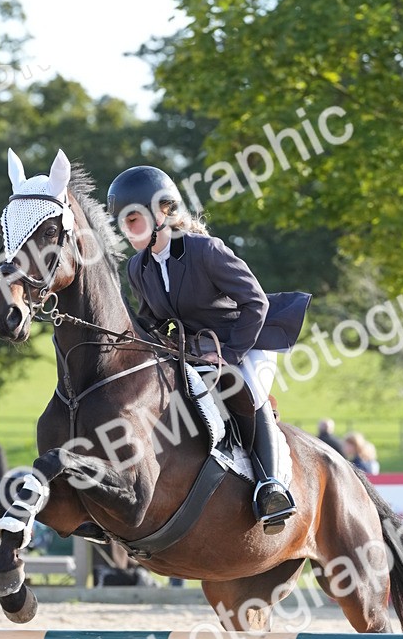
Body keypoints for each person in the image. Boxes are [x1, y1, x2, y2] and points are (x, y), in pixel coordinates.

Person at [107, 165, 311, 534]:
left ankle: (271, 486)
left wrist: (230, 355)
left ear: (161, 213)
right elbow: (150, 320)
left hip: (246, 342)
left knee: (244, 392)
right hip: (196, 353)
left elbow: (256, 304)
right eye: (122, 222)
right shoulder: (139, 267)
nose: (127, 230)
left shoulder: (205, 251)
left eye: (133, 219)